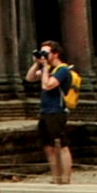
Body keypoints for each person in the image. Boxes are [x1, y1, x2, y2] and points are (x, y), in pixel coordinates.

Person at [31, 40, 79, 185]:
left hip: (57, 111)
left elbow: (48, 85)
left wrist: (45, 67)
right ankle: (55, 177)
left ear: (56, 54)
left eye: (46, 52)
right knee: (48, 146)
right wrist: (37, 63)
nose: (44, 55)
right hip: (45, 111)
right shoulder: (50, 69)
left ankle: (65, 179)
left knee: (61, 145)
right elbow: (30, 77)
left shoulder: (62, 70)